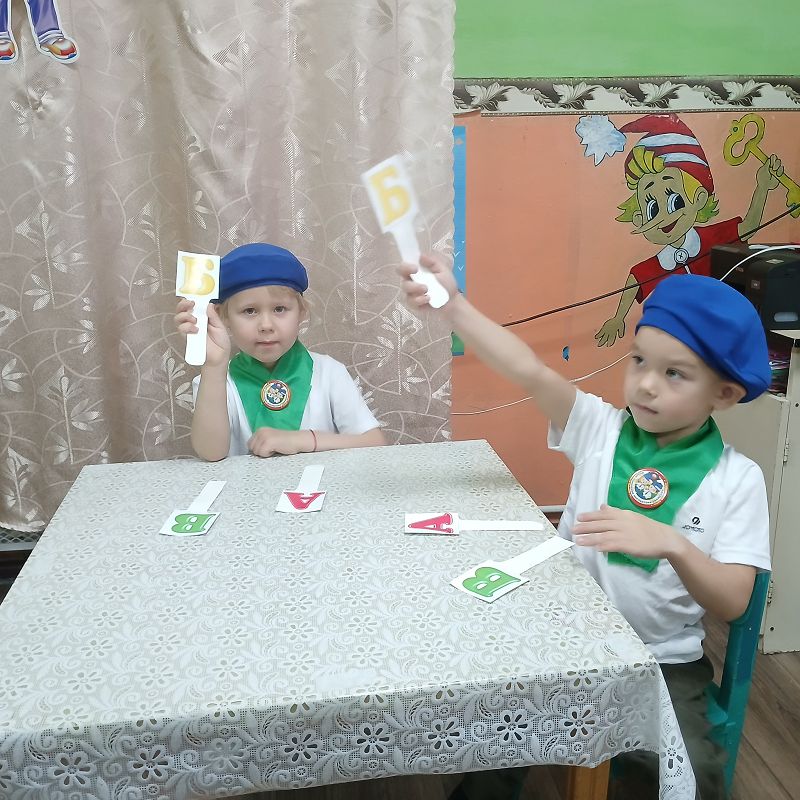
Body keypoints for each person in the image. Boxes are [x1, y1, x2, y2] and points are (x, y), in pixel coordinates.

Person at [398, 254, 771, 800]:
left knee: (689, 772)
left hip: (661, 664)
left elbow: (735, 601)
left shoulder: (738, 479)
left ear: (725, 394)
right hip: (562, 644)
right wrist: (454, 306)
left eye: (674, 373)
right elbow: (528, 370)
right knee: (497, 731)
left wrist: (673, 545)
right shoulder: (599, 428)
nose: (645, 385)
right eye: (639, 360)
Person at [175, 243, 385, 461]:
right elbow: (211, 454)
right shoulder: (216, 380)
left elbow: (375, 443)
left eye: (279, 309)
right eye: (250, 310)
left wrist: (304, 440)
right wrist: (214, 366)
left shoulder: (330, 373)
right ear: (222, 316)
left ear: (302, 312)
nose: (266, 325)